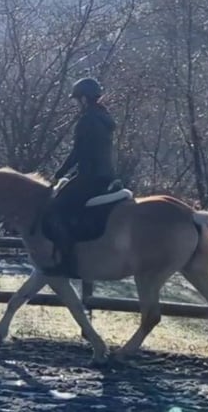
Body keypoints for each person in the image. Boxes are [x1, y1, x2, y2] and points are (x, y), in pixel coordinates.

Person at [43, 77, 116, 277]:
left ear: (84, 99)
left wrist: (59, 173)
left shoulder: (88, 119)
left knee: (56, 208)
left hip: (90, 176)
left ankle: (67, 262)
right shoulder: (104, 116)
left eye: (77, 100)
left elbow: (78, 152)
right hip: (107, 174)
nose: (77, 104)